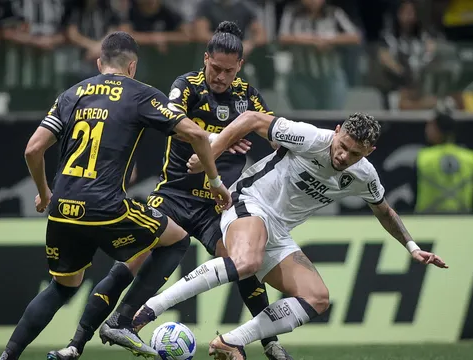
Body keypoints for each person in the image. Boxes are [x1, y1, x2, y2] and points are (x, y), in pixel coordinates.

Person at [48, 21, 293, 360]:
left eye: (227, 70)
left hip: (217, 206)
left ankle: (269, 342)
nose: (219, 76)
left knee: (242, 264)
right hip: (175, 196)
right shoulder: (187, 86)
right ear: (205, 58)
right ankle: (77, 343)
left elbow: (277, 136)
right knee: (133, 261)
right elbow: (174, 124)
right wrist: (219, 140)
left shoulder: (247, 97)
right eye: (214, 67)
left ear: (239, 67)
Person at [118, 111, 449, 360]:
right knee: (247, 261)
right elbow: (249, 118)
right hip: (248, 203)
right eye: (343, 146)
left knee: (318, 298)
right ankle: (146, 312)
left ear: (370, 152)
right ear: (337, 132)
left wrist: (412, 247)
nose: (343, 157)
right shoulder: (309, 137)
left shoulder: (364, 176)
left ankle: (231, 341)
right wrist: (213, 153)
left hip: (279, 232)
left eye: (355, 154)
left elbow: (385, 211)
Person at [0, 31, 231, 360]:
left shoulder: (72, 93)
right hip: (107, 206)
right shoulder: (139, 93)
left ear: (98, 63)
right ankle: (123, 320)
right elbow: (197, 136)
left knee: (62, 287)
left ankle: (9, 355)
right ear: (132, 66)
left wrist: (43, 191)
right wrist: (215, 181)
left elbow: (33, 149)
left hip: (63, 208)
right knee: (177, 240)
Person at [415, 111, 473, 213]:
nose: (426, 131)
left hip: (427, 217)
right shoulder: (471, 157)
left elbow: (414, 188)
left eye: (430, 127)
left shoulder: (424, 157)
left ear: (438, 130)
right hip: (464, 217)